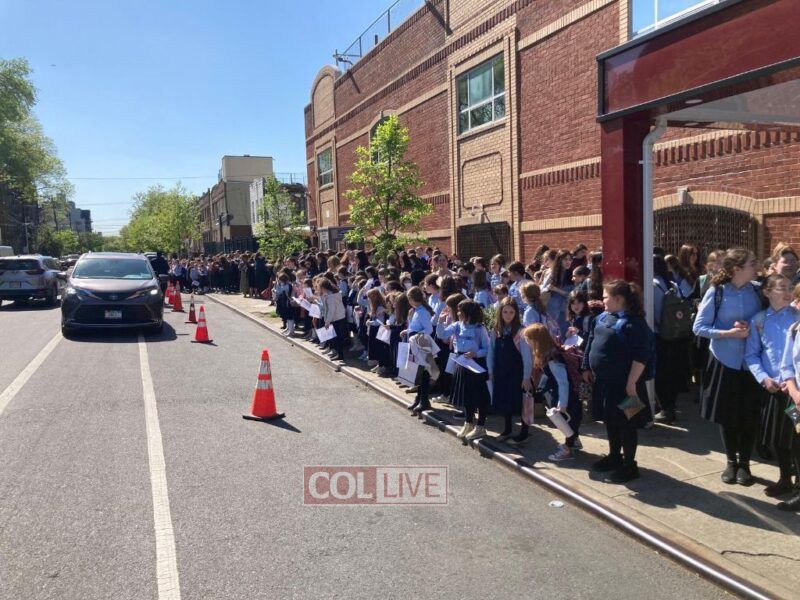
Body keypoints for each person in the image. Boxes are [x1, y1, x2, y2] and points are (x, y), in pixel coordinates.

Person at [693, 248, 763, 485]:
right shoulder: (717, 292)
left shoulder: (758, 290)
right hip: (725, 361)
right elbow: (699, 328)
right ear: (737, 269)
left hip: (753, 362)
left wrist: (754, 327)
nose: (757, 266)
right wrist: (729, 333)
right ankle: (731, 462)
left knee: (750, 413)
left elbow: (769, 318)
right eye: (752, 263)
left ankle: (745, 463)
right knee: (728, 414)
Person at [583, 280, 654, 483]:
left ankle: (630, 466)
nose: (602, 301)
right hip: (604, 384)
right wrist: (586, 366)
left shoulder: (635, 324)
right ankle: (615, 456)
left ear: (618, 299)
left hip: (627, 387)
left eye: (605, 297)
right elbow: (591, 340)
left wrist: (631, 383)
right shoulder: (601, 318)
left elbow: (641, 357)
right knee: (610, 420)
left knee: (627, 425)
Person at [745, 274, 797, 497]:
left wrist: (791, 382)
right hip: (774, 391)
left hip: (794, 392)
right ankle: (785, 479)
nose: (788, 292)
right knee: (778, 438)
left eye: (790, 287)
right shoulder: (759, 320)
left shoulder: (796, 317)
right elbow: (752, 355)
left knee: (796, 436)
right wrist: (764, 378)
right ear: (767, 292)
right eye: (781, 288)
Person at [526, 323, 583, 461]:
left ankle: (568, 450)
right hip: (569, 393)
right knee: (571, 420)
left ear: (537, 340)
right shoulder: (552, 351)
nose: (527, 342)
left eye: (529, 339)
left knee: (566, 422)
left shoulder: (551, 358)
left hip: (565, 395)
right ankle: (574, 442)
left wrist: (562, 403)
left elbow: (563, 382)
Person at [437, 299, 491, 441]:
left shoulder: (480, 328)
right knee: (466, 395)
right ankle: (468, 423)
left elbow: (487, 348)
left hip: (476, 364)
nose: (458, 313)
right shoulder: (457, 325)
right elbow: (442, 334)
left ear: (469, 313)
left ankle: (480, 426)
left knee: (479, 396)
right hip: (461, 362)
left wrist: (476, 354)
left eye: (461, 311)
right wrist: (440, 321)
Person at [488, 298, 532, 443]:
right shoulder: (496, 330)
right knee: (504, 401)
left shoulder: (521, 331)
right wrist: (490, 371)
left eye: (511, 312)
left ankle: (524, 433)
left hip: (517, 373)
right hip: (501, 372)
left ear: (516, 313)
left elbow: (527, 357)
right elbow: (491, 352)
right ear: (500, 312)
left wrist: (526, 377)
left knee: (522, 402)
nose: (508, 315)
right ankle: (507, 429)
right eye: (505, 312)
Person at [653, 255, 690, 424]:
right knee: (672, 373)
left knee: (660, 374)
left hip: (659, 334)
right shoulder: (673, 284)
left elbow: (653, 312)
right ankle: (671, 406)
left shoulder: (652, 285)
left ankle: (664, 409)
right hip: (675, 334)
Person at [777, 293, 800, 512]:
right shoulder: (794, 330)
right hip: (796, 402)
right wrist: (794, 392)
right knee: (797, 444)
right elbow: (786, 366)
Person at [402, 286, 435, 416]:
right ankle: (419, 399)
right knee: (418, 373)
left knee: (423, 373)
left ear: (411, 299)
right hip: (416, 343)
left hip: (422, 344)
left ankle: (424, 400)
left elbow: (429, 329)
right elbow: (414, 327)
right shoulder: (416, 311)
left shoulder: (422, 312)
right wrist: (407, 329)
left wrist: (416, 335)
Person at [318, 278, 348, 361]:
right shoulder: (334, 294)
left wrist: (327, 322)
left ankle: (340, 355)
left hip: (336, 318)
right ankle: (339, 354)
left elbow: (331, 310)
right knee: (338, 337)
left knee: (337, 338)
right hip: (340, 317)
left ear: (323, 287)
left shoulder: (330, 296)